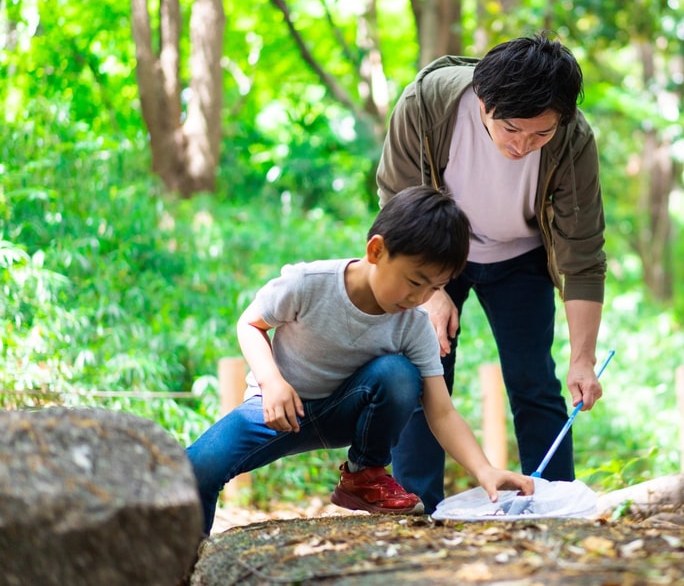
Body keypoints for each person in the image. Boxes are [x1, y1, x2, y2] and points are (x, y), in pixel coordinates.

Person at [185, 186, 533, 535]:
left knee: (398, 374)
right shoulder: (309, 283)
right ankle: (186, 562)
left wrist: (485, 470)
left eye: (433, 289)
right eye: (414, 281)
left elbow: (441, 411)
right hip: (278, 410)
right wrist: (271, 381)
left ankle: (364, 475)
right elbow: (250, 323)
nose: (419, 297)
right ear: (377, 250)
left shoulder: (414, 326)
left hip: (346, 412)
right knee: (195, 469)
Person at [370, 33, 607, 512]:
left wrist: (583, 358)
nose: (523, 146)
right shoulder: (428, 103)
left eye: (541, 135)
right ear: (484, 102)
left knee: (534, 380)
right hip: (434, 246)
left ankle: (554, 503)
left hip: (521, 256)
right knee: (423, 370)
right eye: (513, 130)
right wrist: (431, 292)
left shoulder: (573, 139)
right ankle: (417, 507)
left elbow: (582, 252)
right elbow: (397, 196)